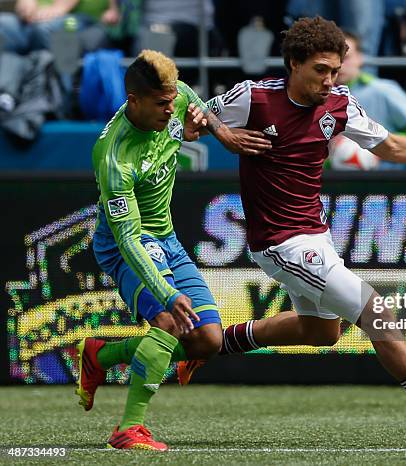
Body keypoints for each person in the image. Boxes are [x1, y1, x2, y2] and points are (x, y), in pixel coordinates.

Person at [178, 16, 406, 432]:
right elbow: (188, 124)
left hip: (316, 235)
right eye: (321, 70)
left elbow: (389, 146)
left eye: (335, 71)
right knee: (377, 313)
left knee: (321, 332)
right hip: (279, 241)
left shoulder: (338, 103)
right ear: (294, 63)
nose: (330, 80)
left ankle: (210, 346)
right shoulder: (254, 99)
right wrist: (223, 132)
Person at [76, 49, 272, 451]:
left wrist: (224, 134)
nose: (172, 108)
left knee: (208, 341)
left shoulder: (174, 94)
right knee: (168, 319)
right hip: (123, 245)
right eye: (162, 104)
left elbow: (193, 100)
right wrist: (167, 293)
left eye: (172, 101)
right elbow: (129, 238)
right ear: (134, 101)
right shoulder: (113, 156)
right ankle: (128, 429)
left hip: (167, 240)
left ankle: (100, 355)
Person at [336, 30, 406, 169]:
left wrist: (378, 149)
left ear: (360, 58)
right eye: (334, 58)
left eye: (346, 58)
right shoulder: (313, 97)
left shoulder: (383, 90)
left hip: (384, 183)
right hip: (330, 185)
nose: (339, 65)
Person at [0, 0, 120, 54]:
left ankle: (46, 91)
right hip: (34, 19)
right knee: (3, 24)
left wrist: (57, 9)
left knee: (45, 29)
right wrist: (25, 5)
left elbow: (60, 9)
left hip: (80, 19)